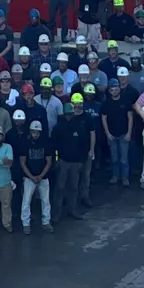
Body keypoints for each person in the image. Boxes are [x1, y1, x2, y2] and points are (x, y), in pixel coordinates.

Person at [52, 94, 91, 223]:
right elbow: (54, 146)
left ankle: (72, 210)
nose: (69, 116)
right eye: (67, 114)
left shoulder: (79, 128)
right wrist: (57, 160)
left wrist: (82, 161)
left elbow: (84, 145)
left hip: (75, 163)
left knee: (73, 188)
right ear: (64, 114)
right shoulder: (58, 128)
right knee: (60, 188)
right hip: (63, 161)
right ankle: (56, 213)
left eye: (70, 114)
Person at [17, 119, 54, 234]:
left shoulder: (46, 143)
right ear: (30, 131)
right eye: (33, 132)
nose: (35, 134)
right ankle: (25, 224)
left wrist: (41, 176)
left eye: (37, 132)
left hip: (43, 177)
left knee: (45, 200)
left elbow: (49, 161)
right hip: (29, 177)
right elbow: (22, 162)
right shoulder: (25, 143)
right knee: (26, 200)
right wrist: (32, 177)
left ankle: (46, 222)